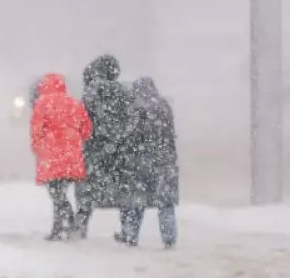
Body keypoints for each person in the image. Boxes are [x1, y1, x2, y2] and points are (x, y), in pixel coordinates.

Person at [74, 54, 133, 238]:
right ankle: (128, 230)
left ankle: (81, 227)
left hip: (93, 147)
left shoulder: (91, 91)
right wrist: (118, 139)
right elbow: (129, 119)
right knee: (122, 190)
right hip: (117, 148)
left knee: (87, 190)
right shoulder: (123, 91)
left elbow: (83, 119)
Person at [117, 77, 179, 248]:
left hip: (141, 162)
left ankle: (130, 235)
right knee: (166, 203)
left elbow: (131, 137)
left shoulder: (137, 110)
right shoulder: (165, 108)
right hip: (165, 162)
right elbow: (169, 135)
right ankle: (169, 238)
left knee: (136, 202)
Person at [30, 73, 93, 241]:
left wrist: (38, 148)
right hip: (71, 155)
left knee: (56, 194)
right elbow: (86, 129)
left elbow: (36, 130)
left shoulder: (42, 103)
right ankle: (59, 228)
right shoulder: (74, 103)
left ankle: (68, 223)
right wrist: (74, 141)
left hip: (51, 155)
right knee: (60, 193)